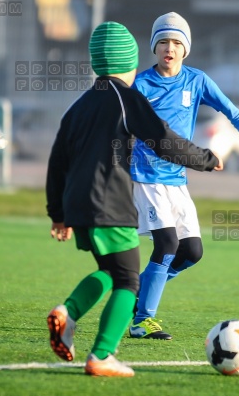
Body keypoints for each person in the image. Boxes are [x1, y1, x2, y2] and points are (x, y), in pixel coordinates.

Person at [45, 21, 222, 377]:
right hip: (110, 205)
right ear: (129, 63)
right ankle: (101, 355)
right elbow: (163, 140)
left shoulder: (78, 107)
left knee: (111, 272)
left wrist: (58, 214)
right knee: (129, 282)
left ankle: (68, 314)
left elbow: (56, 161)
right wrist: (205, 158)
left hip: (79, 207)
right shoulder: (127, 99)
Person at [129, 12, 239, 340]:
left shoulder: (197, 81)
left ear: (186, 49)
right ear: (154, 47)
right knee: (167, 243)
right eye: (164, 41)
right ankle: (142, 321)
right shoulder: (140, 84)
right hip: (146, 176)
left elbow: (233, 113)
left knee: (192, 252)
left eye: (177, 42)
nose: (170, 48)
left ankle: (136, 294)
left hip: (177, 181)